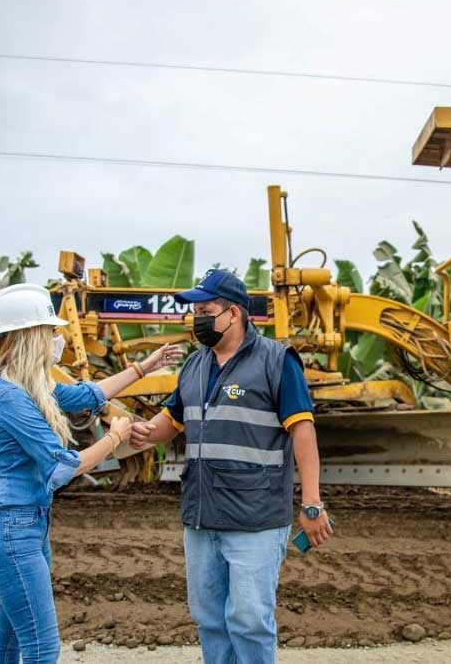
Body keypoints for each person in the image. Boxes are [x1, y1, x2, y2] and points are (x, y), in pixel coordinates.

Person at [0, 283, 183, 664]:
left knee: (11, 644)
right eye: (50, 331)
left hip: (22, 527)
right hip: (11, 532)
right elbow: (62, 467)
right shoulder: (12, 398)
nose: (57, 338)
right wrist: (115, 437)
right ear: (28, 337)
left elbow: (87, 395)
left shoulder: (29, 388)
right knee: (41, 648)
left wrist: (143, 368)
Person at [127, 269, 333, 664]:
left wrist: (312, 504)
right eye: (195, 311)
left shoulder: (277, 360)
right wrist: (142, 432)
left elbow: (303, 434)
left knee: (249, 619)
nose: (196, 319)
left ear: (233, 314)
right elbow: (171, 421)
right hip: (202, 516)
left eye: (205, 310)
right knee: (209, 619)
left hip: (255, 518)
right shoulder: (195, 365)